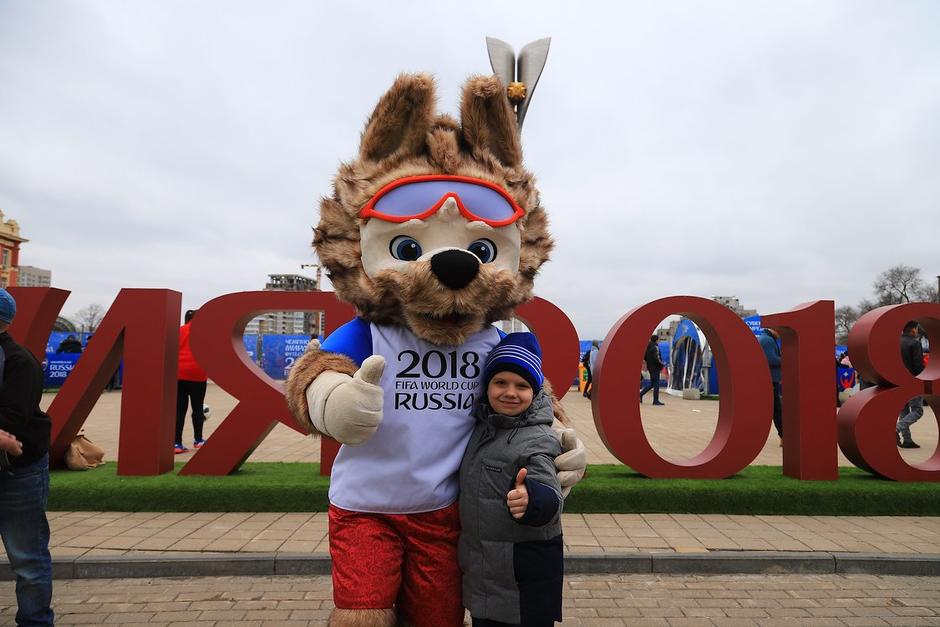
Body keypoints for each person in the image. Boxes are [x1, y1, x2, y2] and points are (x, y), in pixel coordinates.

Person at [460, 333, 564, 626]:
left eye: (522, 386)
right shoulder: (483, 428)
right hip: (486, 578)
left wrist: (534, 500)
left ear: (535, 391)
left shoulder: (539, 438)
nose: (510, 392)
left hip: (522, 584)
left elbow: (549, 491)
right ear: (487, 386)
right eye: (500, 382)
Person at [0, 288, 55, 626]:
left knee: (27, 559)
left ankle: (35, 621)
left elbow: (13, 419)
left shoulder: (18, 361)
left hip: (17, 473)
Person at [175, 309, 208, 454]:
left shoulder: (179, 330)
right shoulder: (204, 331)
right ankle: (198, 440)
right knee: (197, 408)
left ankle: (176, 443)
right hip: (198, 374)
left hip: (179, 373)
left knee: (179, 410)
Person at [897, 321, 925, 449]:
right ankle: (897, 429)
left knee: (903, 410)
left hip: (898, 381)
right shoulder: (915, 343)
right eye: (917, 329)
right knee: (917, 410)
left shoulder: (896, 342)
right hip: (912, 381)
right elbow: (918, 365)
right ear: (913, 330)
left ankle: (907, 440)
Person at [758, 327, 783, 446]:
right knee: (777, 410)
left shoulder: (766, 339)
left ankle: (784, 435)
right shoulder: (768, 340)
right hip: (771, 380)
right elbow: (771, 360)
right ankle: (784, 435)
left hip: (769, 380)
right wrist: (787, 359)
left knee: (775, 409)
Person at [639, 335, 665, 405]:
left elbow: (645, 357)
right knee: (656, 384)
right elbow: (657, 358)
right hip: (656, 368)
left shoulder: (647, 347)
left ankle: (640, 394)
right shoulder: (655, 347)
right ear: (656, 340)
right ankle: (655, 400)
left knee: (652, 383)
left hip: (650, 367)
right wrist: (662, 364)